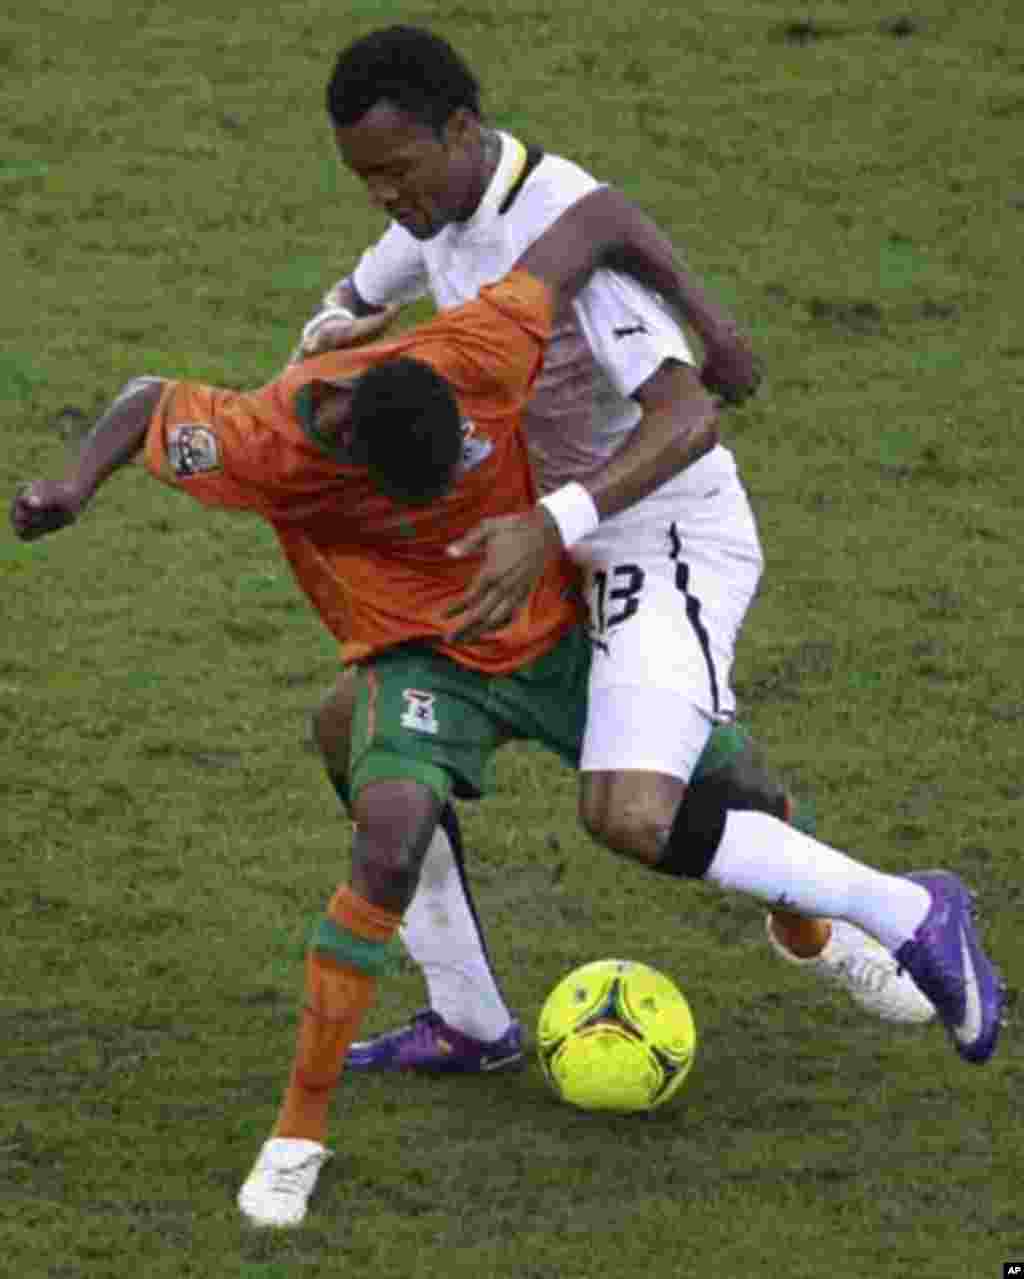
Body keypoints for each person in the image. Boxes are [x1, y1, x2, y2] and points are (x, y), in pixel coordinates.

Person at [12, 193, 1003, 1232]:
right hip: (425, 660)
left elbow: (596, 221)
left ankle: (826, 932)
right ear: (351, 451)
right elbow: (147, 397)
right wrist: (74, 485)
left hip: (563, 636)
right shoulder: (268, 438)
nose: (449, 501)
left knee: (731, 790)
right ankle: (303, 1131)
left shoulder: (476, 343)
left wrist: (713, 327)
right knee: (387, 829)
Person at [296, 25, 933, 1071]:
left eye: (394, 172)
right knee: (351, 724)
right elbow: (368, 290)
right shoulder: (436, 206)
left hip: (644, 523)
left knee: (664, 798)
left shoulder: (559, 231)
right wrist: (340, 328)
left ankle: (839, 922)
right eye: (364, 179)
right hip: (534, 535)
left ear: (461, 130)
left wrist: (560, 517)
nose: (384, 198)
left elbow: (685, 418)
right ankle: (467, 1018)